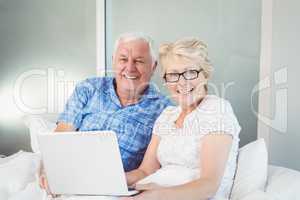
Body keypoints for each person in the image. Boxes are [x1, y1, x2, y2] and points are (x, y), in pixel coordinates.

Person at [39, 32, 172, 193]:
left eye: (139, 61)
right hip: (69, 179)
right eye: (123, 59)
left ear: (153, 66)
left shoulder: (165, 110)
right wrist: (50, 171)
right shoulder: (88, 88)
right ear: (114, 62)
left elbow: (149, 170)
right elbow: (59, 138)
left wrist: (106, 182)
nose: (130, 68)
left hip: (115, 188)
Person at [123, 38, 241, 200]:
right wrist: (114, 179)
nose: (182, 82)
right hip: (150, 193)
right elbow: (145, 171)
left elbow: (209, 185)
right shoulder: (167, 115)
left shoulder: (217, 110)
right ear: (165, 80)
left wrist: (156, 196)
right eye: (173, 74)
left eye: (191, 72)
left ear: (205, 75)